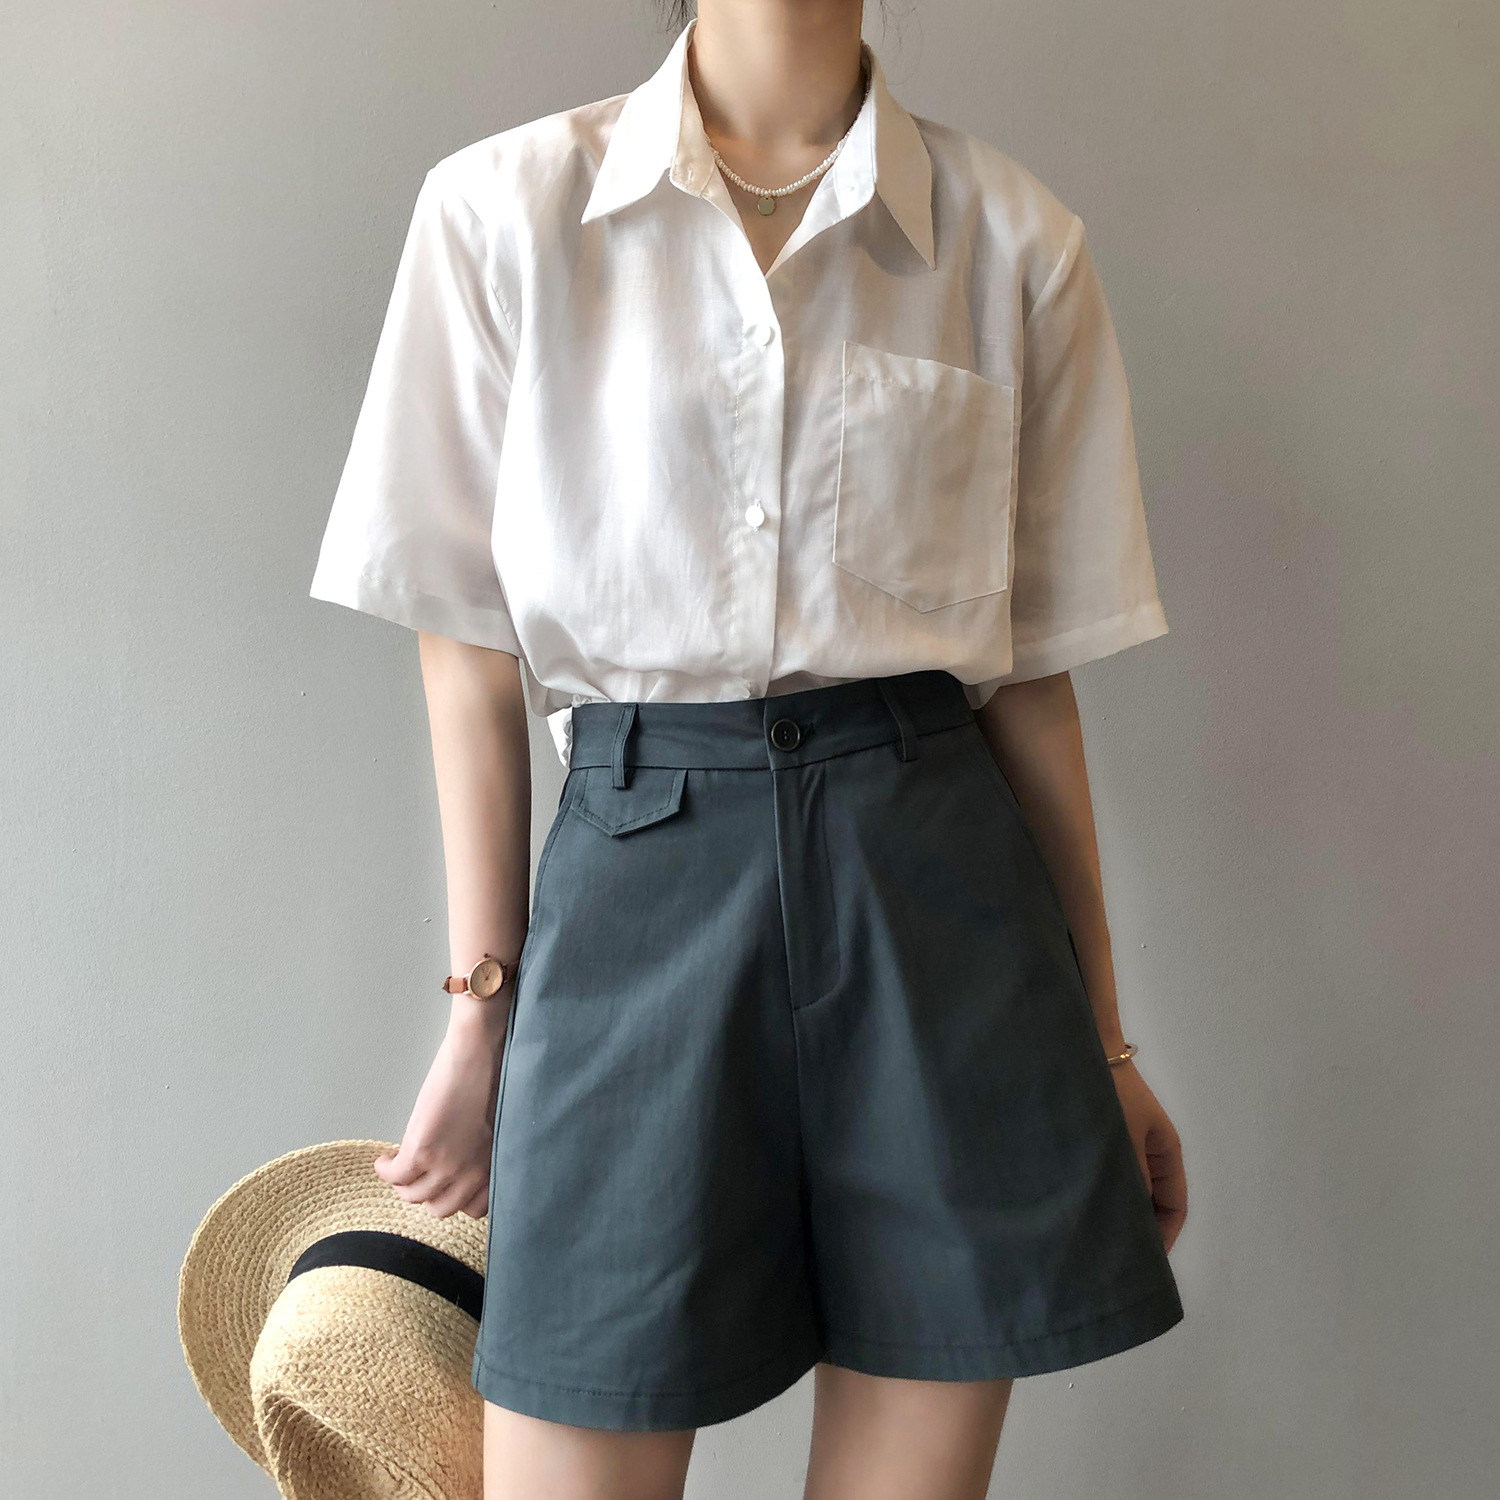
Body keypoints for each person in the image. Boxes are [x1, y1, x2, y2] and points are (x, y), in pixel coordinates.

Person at [308, 1, 1189, 1495]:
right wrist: (480, 1012)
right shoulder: (505, 211)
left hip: (937, 912)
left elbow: (1031, 684)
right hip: (638, 890)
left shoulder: (1010, 239)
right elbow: (464, 649)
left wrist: (1105, 1043)